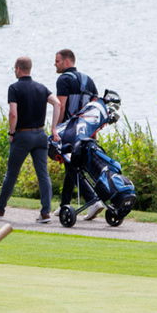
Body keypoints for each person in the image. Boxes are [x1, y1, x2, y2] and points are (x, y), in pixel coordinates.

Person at [0, 56, 53, 223]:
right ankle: (45, 212)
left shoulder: (14, 88)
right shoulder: (42, 88)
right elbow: (57, 103)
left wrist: (11, 132)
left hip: (23, 135)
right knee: (43, 174)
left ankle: (0, 208)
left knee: (12, 173)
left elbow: (13, 113)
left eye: (14, 68)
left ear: (18, 68)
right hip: (40, 134)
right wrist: (55, 128)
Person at [51, 48, 99, 212]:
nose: (55, 64)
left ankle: (93, 200)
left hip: (70, 131)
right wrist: (95, 133)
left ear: (66, 61)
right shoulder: (89, 80)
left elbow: (61, 105)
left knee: (72, 167)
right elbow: (95, 108)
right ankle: (64, 205)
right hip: (87, 131)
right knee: (71, 167)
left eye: (57, 61)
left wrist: (55, 129)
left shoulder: (63, 79)